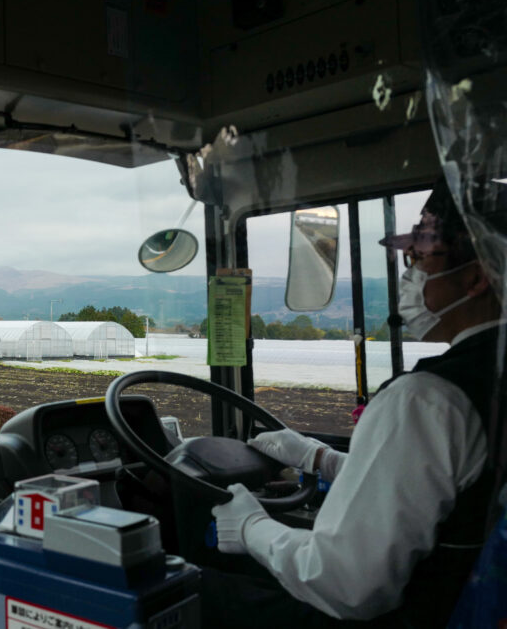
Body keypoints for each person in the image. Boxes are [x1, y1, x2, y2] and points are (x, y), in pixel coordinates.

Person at [204, 178, 503, 628]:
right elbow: (441, 489)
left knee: (190, 590)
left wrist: (250, 528)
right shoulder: (484, 383)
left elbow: (343, 583)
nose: (408, 275)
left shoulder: (427, 401)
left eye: (418, 258)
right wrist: (320, 457)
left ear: (476, 277)